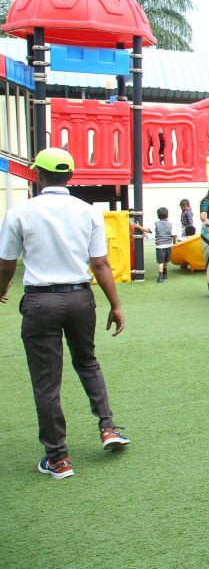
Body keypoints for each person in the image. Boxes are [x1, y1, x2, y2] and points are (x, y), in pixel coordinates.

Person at [0, 148, 128, 480]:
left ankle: (58, 459)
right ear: (70, 176)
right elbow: (100, 263)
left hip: (40, 303)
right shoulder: (88, 212)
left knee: (47, 383)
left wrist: (1, 289)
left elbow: (6, 263)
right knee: (87, 361)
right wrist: (115, 304)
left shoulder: (20, 212)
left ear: (37, 175)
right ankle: (108, 426)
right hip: (80, 299)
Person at [154, 207, 178, 283]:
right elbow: (174, 235)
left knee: (160, 261)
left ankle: (160, 277)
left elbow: (149, 230)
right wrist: (174, 242)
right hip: (168, 245)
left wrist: (139, 227)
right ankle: (165, 273)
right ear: (167, 215)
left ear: (158, 216)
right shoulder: (170, 224)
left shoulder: (156, 224)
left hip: (160, 245)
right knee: (166, 260)